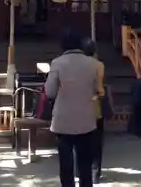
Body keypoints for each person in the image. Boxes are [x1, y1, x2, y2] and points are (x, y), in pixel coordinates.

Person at [45, 30, 98, 187]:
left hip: (64, 119)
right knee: (85, 163)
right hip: (86, 117)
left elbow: (50, 91)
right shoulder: (92, 63)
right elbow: (96, 89)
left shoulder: (57, 63)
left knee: (66, 163)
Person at [82, 38, 114, 184]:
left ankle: (81, 170)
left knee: (81, 140)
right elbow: (100, 87)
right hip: (95, 106)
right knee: (97, 141)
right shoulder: (99, 65)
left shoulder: (78, 66)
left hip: (80, 107)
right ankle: (96, 172)